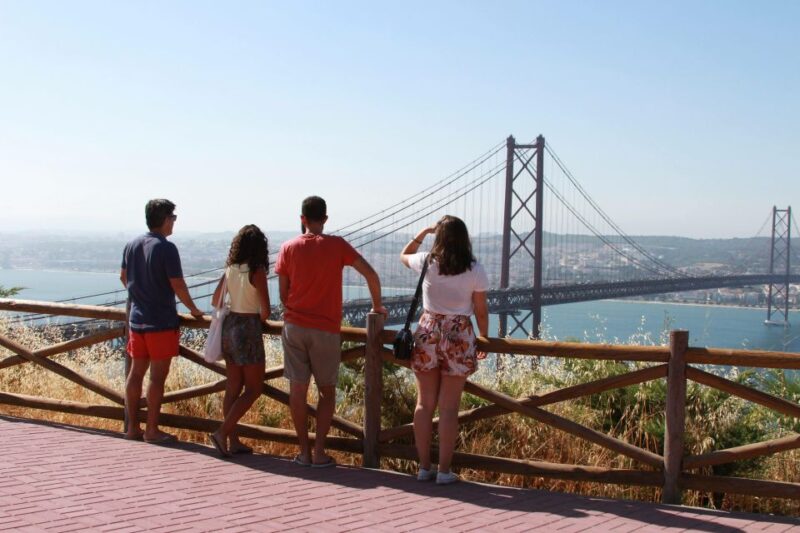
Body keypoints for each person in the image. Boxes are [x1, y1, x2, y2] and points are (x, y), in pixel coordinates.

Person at [275, 196, 387, 467]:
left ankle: (302, 452)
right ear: (325, 219)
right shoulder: (337, 246)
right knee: (327, 392)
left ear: (302, 218)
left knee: (297, 392)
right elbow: (371, 275)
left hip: (294, 328)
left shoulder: (287, 247)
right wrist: (376, 306)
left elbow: (282, 294)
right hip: (325, 330)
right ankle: (319, 452)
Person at [400, 215, 489, 484]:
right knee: (449, 409)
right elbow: (481, 309)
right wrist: (484, 338)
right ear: (465, 239)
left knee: (424, 404)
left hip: (427, 332)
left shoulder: (427, 261)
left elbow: (405, 254)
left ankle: (424, 467)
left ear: (438, 238)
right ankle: (444, 472)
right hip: (458, 334)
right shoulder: (475, 269)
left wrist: (423, 232)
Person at [120, 199, 204, 443]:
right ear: (165, 219)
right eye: (173, 218)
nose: (174, 223)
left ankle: (132, 428)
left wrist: (139, 296)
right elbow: (177, 283)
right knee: (157, 378)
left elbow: (123, 277)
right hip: (161, 322)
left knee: (135, 374)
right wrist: (194, 309)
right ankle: (152, 430)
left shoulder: (132, 244)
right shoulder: (167, 248)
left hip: (137, 320)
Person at [208, 225, 271, 457]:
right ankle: (222, 432)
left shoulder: (231, 269)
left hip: (230, 326)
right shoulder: (257, 271)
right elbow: (265, 312)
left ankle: (233, 441)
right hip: (248, 328)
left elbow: (216, 300)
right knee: (254, 388)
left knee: (233, 386)